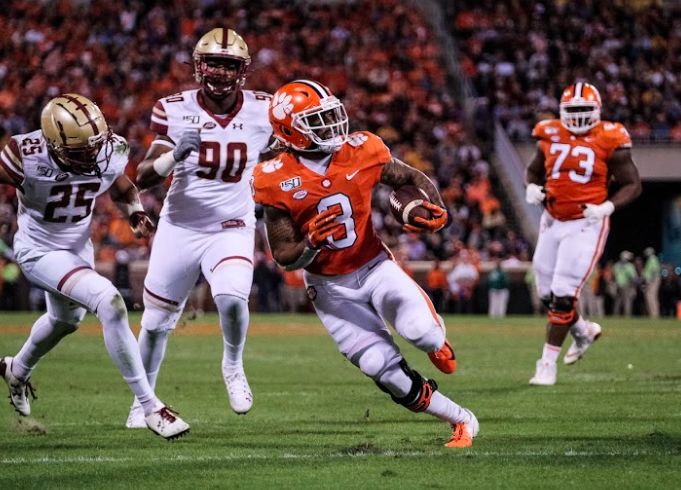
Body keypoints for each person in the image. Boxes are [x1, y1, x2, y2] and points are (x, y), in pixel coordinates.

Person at [252, 80, 478, 448]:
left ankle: (437, 342)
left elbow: (410, 178)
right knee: (382, 370)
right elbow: (283, 255)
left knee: (423, 333)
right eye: (318, 120)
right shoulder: (273, 178)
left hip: (374, 267)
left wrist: (433, 208)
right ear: (290, 130)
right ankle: (461, 419)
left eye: (329, 116)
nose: (331, 126)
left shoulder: (362, 149)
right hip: (329, 289)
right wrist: (310, 243)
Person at [0, 94, 188, 439]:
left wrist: (134, 211)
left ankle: (17, 369)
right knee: (110, 301)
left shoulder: (109, 149)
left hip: (77, 249)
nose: (92, 154)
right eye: (81, 149)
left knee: (65, 320)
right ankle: (150, 406)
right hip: (39, 250)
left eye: (95, 145)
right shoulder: (24, 154)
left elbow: (119, 187)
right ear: (52, 143)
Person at [126, 28, 274, 427]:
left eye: (230, 65)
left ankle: (233, 364)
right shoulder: (173, 108)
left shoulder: (266, 109)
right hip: (180, 227)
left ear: (243, 70)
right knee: (155, 324)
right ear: (198, 65)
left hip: (232, 225)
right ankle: (145, 402)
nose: (221, 73)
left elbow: (284, 160)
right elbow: (142, 176)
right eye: (214, 62)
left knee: (230, 297)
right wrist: (173, 155)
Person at [525, 82, 641, 385]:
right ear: (562, 112)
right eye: (572, 110)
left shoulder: (609, 137)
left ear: (597, 112)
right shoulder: (548, 133)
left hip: (586, 222)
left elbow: (633, 183)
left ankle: (546, 363)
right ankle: (584, 331)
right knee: (546, 293)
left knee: (564, 292)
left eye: (583, 110)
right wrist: (531, 187)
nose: (577, 117)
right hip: (552, 220)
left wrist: (607, 207)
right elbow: (533, 170)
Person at [612, 251, 637, 317]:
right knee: (627, 301)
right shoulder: (629, 266)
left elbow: (614, 275)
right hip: (626, 285)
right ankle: (627, 315)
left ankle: (616, 315)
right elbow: (633, 277)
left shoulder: (616, 265)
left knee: (618, 301)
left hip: (618, 285)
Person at [642, 247, 661, 318]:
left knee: (651, 297)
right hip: (652, 281)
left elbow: (654, 270)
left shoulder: (653, 259)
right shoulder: (651, 259)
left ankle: (654, 314)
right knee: (650, 297)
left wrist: (650, 281)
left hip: (653, 281)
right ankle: (652, 314)